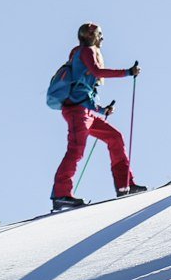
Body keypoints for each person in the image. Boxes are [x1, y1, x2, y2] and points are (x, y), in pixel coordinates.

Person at [50, 22, 147, 209]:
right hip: (77, 112)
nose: (102, 38)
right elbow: (97, 72)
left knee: (115, 138)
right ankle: (61, 193)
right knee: (76, 150)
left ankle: (124, 184)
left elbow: (83, 90)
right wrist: (128, 72)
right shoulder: (87, 51)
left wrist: (101, 110)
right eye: (99, 34)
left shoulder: (81, 53)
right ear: (90, 36)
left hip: (82, 111)